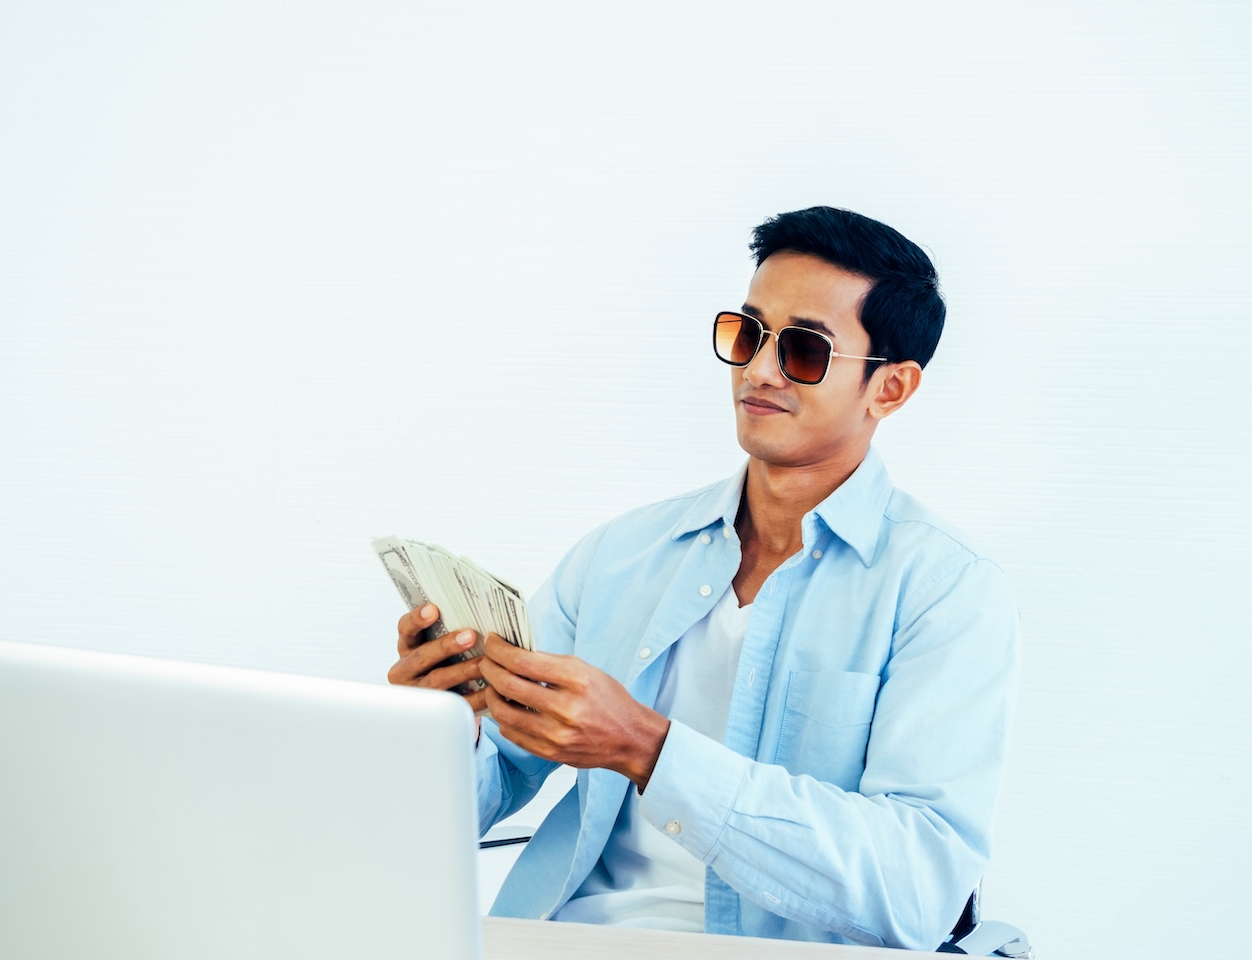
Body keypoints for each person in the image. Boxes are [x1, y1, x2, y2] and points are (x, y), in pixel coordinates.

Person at [387, 205, 1018, 951]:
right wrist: (439, 732)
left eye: (805, 349)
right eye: (748, 334)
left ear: (892, 388)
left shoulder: (945, 589)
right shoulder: (621, 555)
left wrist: (648, 750)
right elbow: (477, 796)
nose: (758, 370)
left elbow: (917, 890)